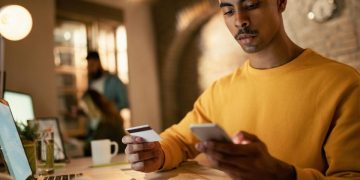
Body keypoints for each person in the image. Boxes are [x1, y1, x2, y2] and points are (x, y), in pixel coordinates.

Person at [122, 0, 360, 179]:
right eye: (228, 10)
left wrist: (281, 173)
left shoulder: (343, 84)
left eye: (250, 4)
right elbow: (178, 139)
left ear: (280, 2)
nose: (239, 20)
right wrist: (156, 153)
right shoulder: (221, 90)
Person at [79, 89, 127, 156]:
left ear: (91, 106)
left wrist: (80, 146)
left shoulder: (107, 123)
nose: (85, 111)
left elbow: (95, 147)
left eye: (85, 108)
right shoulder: (103, 120)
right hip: (116, 158)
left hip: (117, 159)